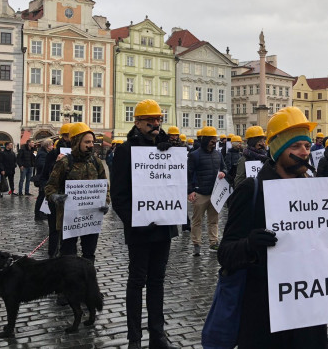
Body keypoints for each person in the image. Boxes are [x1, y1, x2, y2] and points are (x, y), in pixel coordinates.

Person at [219, 106, 328, 348]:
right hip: (265, 317)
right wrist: (249, 245)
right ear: (277, 149)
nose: (304, 152)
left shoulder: (317, 189)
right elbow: (225, 254)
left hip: (309, 315)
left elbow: (324, 243)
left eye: (307, 146)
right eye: (295, 146)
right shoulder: (251, 190)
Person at [110, 99, 179, 349]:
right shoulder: (126, 150)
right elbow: (118, 195)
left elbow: (175, 183)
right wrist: (135, 220)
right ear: (137, 122)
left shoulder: (168, 148)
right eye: (150, 120)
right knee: (137, 281)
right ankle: (135, 338)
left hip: (163, 225)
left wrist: (173, 151)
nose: (156, 124)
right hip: (140, 228)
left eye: (159, 119)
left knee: (158, 281)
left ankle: (158, 336)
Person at [45, 122, 110, 263]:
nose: (91, 145)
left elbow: (105, 186)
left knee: (89, 255)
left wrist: (106, 202)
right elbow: (50, 186)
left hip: (91, 218)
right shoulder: (64, 163)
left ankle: (87, 282)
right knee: (68, 256)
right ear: (76, 142)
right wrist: (55, 197)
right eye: (87, 142)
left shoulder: (96, 162)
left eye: (92, 142)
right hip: (69, 219)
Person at [187, 126, 227, 256]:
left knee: (214, 220)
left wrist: (223, 173)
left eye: (215, 139)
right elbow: (188, 174)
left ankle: (213, 243)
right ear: (205, 140)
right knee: (197, 221)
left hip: (214, 193)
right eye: (211, 139)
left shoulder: (218, 154)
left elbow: (224, 168)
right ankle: (196, 244)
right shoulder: (194, 155)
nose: (214, 141)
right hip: (200, 193)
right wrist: (190, 191)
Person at [40, 124, 73, 257]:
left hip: (72, 198)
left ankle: (67, 257)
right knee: (54, 230)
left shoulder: (79, 154)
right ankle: (52, 257)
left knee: (69, 231)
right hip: (55, 198)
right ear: (64, 136)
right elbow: (44, 177)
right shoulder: (53, 153)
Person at [33, 139, 54, 220]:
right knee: (41, 196)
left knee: (42, 196)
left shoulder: (44, 152)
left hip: (44, 177)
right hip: (43, 178)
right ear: (47, 146)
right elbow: (42, 165)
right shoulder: (42, 154)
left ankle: (40, 213)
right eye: (51, 145)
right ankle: (38, 214)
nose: (52, 146)